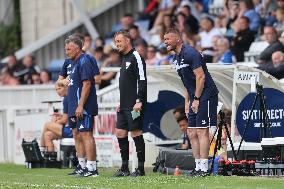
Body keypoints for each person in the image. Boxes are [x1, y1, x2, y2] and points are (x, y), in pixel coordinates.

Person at [164, 28, 219, 177]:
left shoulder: (190, 53)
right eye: (164, 39)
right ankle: (197, 167)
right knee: (191, 131)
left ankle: (204, 168)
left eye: (168, 39)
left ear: (178, 39)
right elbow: (187, 82)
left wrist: (196, 99)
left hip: (206, 94)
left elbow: (200, 77)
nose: (165, 42)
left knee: (202, 131)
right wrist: (187, 101)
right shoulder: (177, 58)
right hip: (194, 96)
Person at [113, 30, 147, 177]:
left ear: (127, 41)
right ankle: (124, 168)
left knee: (136, 132)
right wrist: (121, 102)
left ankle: (140, 169)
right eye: (116, 42)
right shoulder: (124, 58)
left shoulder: (136, 57)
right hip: (124, 105)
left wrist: (139, 101)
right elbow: (127, 83)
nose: (117, 44)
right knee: (120, 132)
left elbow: (142, 80)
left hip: (134, 105)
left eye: (119, 41)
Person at [64, 35, 99, 177]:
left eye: (69, 49)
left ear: (77, 48)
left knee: (86, 134)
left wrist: (80, 105)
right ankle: (83, 166)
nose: (66, 52)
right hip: (75, 105)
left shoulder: (84, 61)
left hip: (84, 106)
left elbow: (87, 83)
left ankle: (92, 168)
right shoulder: (73, 62)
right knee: (78, 134)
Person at [40, 80, 72, 157]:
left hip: (73, 130)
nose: (57, 91)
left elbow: (64, 120)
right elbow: (67, 117)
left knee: (47, 125)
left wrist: (56, 122)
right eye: (56, 90)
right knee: (47, 135)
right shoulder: (68, 97)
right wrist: (60, 117)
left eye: (59, 89)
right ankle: (51, 159)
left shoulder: (66, 99)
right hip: (71, 128)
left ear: (65, 87)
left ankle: (41, 148)